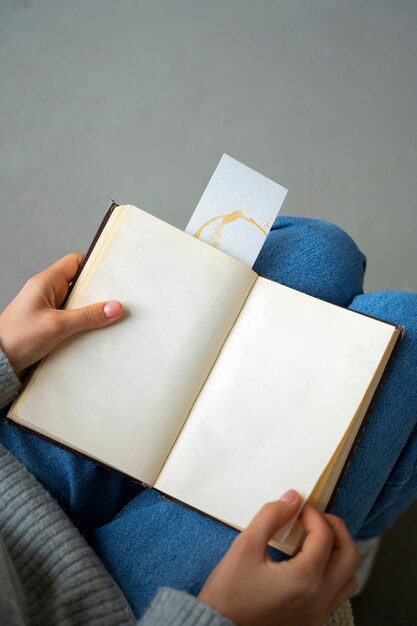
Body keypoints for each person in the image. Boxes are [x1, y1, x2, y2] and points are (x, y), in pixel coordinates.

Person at [0, 215, 416, 625]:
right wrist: (216, 618)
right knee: (407, 330)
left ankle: (354, 520)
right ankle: (352, 536)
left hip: (11, 480)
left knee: (318, 248)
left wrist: (5, 351)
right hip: (103, 609)